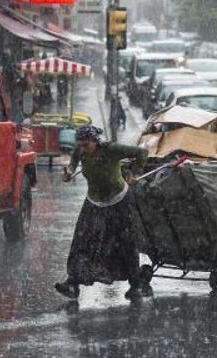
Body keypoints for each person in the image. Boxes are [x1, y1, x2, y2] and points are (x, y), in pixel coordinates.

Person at [55, 125, 151, 300]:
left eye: (86, 145)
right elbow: (73, 162)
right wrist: (69, 172)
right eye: (80, 145)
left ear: (96, 142)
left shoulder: (111, 149)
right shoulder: (80, 150)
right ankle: (72, 282)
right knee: (81, 241)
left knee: (126, 243)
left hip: (119, 201)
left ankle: (135, 285)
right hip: (94, 201)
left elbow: (142, 153)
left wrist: (135, 173)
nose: (82, 148)